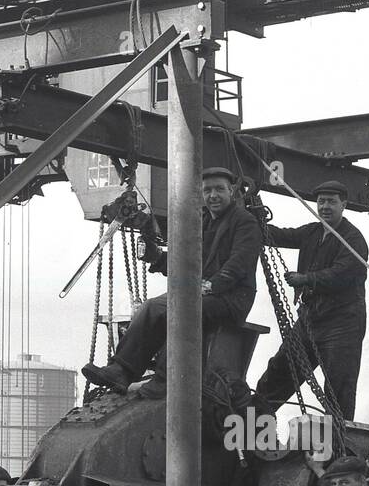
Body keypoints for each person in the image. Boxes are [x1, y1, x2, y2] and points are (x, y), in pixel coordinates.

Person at [80, 167, 261, 400]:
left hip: (230, 298)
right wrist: (157, 257)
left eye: (219, 189)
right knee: (152, 307)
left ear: (231, 192)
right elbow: (182, 261)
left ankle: (167, 380)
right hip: (199, 294)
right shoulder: (201, 221)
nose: (213, 195)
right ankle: (122, 370)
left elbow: (239, 263)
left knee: (183, 310)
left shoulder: (245, 222)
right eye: (207, 190)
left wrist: (211, 286)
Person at [253, 180, 369, 420]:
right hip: (310, 320)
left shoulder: (353, 239)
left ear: (343, 205)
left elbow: (343, 273)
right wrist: (251, 215)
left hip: (342, 324)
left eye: (332, 202)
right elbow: (279, 236)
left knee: (338, 389)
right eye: (321, 201)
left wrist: (306, 279)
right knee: (278, 373)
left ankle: (338, 449)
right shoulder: (312, 232)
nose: (325, 206)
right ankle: (251, 429)